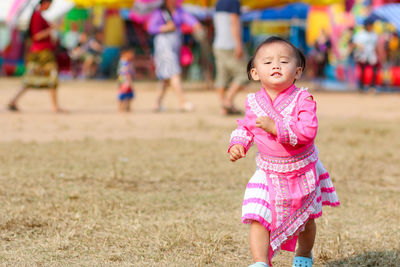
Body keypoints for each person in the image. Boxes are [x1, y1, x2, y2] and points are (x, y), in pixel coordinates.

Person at [228, 37, 340, 267]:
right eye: (267, 62)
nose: (276, 66)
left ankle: (303, 253)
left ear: (297, 72)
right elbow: (246, 127)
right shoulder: (253, 101)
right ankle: (260, 262)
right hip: (268, 171)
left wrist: (275, 127)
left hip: (301, 171)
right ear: (255, 73)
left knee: (306, 221)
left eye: (284, 61)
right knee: (257, 215)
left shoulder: (303, 99)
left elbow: (308, 132)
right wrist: (239, 143)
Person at [147, 0, 203, 112]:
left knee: (166, 77)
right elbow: (151, 28)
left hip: (174, 45)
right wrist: (165, 28)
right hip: (164, 46)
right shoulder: (159, 12)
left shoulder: (179, 11)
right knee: (174, 72)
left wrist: (196, 25)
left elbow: (189, 19)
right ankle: (183, 101)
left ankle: (157, 103)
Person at [7, 0, 62, 112]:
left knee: (34, 78)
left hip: (41, 52)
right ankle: (55, 107)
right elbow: (36, 36)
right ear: (45, 3)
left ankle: (13, 101)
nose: (50, 7)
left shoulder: (39, 16)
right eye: (50, 4)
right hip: (41, 53)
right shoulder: (37, 16)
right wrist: (51, 29)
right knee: (51, 76)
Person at [213, 0, 248, 115]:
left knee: (222, 76)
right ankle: (227, 101)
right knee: (244, 73)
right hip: (230, 45)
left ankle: (224, 107)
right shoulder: (234, 2)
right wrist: (238, 44)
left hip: (218, 44)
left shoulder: (218, 3)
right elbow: (234, 23)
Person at [352, 19, 379, 92]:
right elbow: (354, 43)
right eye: (369, 25)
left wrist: (378, 54)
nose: (370, 27)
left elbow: (376, 46)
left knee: (374, 70)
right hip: (362, 54)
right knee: (362, 70)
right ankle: (361, 86)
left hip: (371, 54)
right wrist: (359, 46)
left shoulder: (374, 34)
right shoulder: (360, 34)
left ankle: (372, 86)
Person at [117, 45, 135, 112]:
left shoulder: (126, 62)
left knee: (129, 95)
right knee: (123, 95)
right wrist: (130, 82)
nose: (133, 55)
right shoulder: (125, 62)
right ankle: (121, 108)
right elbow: (126, 74)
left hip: (124, 82)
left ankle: (127, 107)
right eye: (131, 53)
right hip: (125, 82)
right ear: (125, 53)